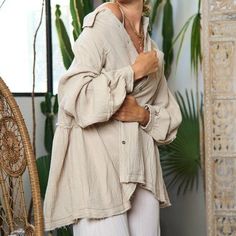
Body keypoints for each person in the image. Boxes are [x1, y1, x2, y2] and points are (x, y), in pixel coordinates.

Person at [43, 0, 182, 235]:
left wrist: (142, 115)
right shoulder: (100, 27)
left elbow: (170, 118)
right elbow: (74, 96)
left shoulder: (152, 50)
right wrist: (133, 72)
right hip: (98, 171)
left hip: (141, 169)